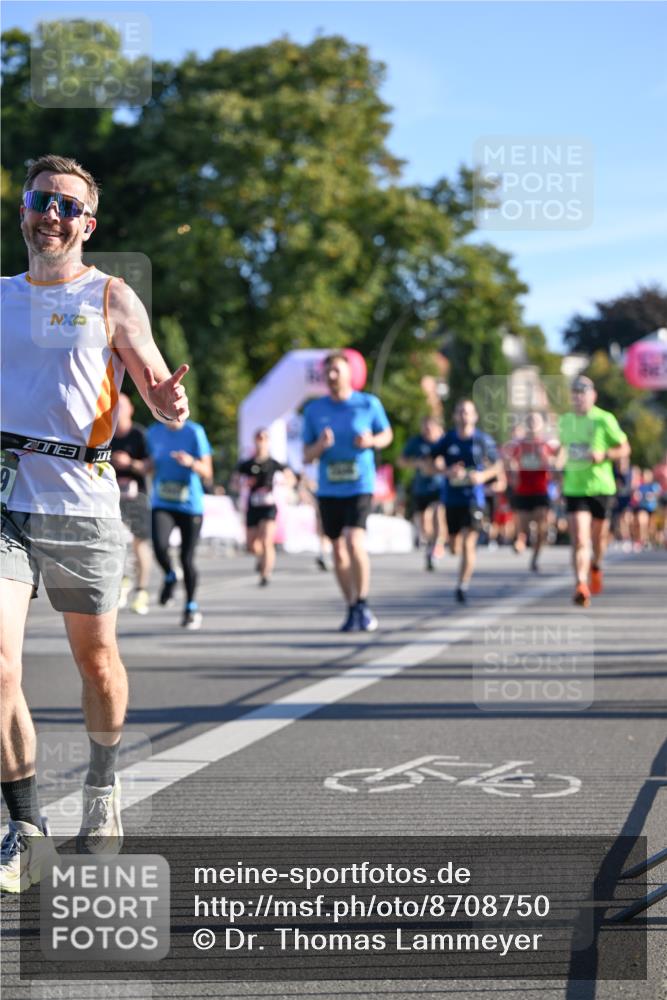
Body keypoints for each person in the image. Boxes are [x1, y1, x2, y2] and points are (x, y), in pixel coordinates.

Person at [0, 154, 189, 891]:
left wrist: (169, 405)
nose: (53, 214)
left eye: (68, 206)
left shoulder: (111, 297)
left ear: (89, 224)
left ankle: (103, 786)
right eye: (42, 199)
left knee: (97, 664)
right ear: (23, 210)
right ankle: (25, 825)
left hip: (81, 497)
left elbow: (155, 389)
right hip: (3, 493)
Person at [302, 351, 393, 631]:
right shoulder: (314, 410)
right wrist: (320, 445)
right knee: (338, 552)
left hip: (359, 484)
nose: (331, 377)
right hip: (329, 488)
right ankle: (352, 605)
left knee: (354, 541)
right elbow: (306, 456)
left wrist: (371, 441)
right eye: (327, 372)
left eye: (336, 371)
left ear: (349, 374)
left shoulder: (367, 404)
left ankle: (363, 602)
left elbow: (386, 435)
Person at [557, 375, 630, 607]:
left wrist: (604, 455)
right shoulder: (565, 421)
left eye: (583, 392)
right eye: (575, 392)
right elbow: (561, 449)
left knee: (598, 540)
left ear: (593, 395)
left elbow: (624, 447)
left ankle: (596, 565)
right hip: (574, 487)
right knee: (579, 537)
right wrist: (556, 462)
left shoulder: (604, 419)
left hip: (601, 487)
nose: (579, 397)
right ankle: (580, 583)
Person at [431, 399, 503, 603]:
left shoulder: (483, 440)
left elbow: (497, 465)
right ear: (454, 416)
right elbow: (431, 461)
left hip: (474, 499)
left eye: (468, 412)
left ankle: (462, 585)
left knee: (469, 544)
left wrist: (482, 477)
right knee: (455, 546)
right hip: (452, 498)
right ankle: (450, 548)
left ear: (475, 416)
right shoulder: (447, 439)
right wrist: (446, 471)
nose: (464, 416)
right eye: (460, 412)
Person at [146, 417, 213, 629]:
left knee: (187, 558)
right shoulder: (153, 432)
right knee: (159, 547)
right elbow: (149, 465)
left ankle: (191, 606)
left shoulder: (195, 432)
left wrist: (191, 462)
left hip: (189, 505)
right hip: (162, 501)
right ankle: (170, 575)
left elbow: (208, 472)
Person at [111, 393, 151, 614]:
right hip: (112, 497)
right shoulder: (105, 433)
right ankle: (122, 582)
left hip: (137, 497)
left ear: (131, 410)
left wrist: (130, 463)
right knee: (116, 541)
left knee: (139, 544)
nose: (117, 410)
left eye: (122, 406)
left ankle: (142, 590)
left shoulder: (139, 435)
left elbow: (150, 466)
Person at [503, 412, 559, 572]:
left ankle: (534, 559)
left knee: (541, 528)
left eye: (535, 421)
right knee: (522, 527)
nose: (532, 424)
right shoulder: (518, 444)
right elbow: (507, 459)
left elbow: (556, 461)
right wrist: (512, 470)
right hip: (522, 490)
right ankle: (520, 541)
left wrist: (550, 463)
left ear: (541, 425)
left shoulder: (546, 444)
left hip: (540, 490)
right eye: (529, 421)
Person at [235, 429, 290, 586]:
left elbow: (290, 476)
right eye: (258, 438)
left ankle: (265, 574)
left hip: (269, 506)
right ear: (254, 441)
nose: (261, 442)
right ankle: (260, 558)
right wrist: (242, 484)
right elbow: (235, 481)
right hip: (253, 506)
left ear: (268, 442)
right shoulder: (247, 464)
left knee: (267, 541)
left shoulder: (273, 463)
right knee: (252, 546)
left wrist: (285, 483)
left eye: (264, 439)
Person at [400, 416, 446, 571]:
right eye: (424, 428)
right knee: (424, 522)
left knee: (438, 515)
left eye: (430, 428)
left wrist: (442, 464)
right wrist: (416, 463)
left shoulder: (444, 441)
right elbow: (401, 460)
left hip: (440, 486)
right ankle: (430, 544)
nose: (427, 431)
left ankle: (436, 547)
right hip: (421, 488)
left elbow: (456, 459)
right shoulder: (416, 442)